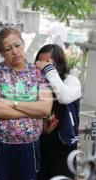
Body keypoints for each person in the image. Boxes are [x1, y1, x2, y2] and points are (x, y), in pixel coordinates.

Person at [0, 28, 53, 180]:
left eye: (17, 45)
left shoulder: (38, 74)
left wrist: (11, 102)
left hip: (29, 147)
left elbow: (45, 108)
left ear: (23, 43)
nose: (15, 51)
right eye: (8, 49)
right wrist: (33, 110)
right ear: (1, 52)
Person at [35, 44, 81, 179]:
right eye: (40, 63)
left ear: (59, 64)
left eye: (49, 64)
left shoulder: (71, 81)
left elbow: (64, 98)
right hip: (39, 142)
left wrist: (49, 70)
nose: (44, 68)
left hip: (63, 144)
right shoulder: (36, 83)